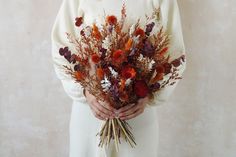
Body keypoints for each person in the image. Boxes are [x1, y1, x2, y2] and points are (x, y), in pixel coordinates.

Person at [51, 0, 186, 156]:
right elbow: (61, 45)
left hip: (137, 115)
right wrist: (86, 91)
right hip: (90, 113)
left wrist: (148, 95)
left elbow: (175, 52)